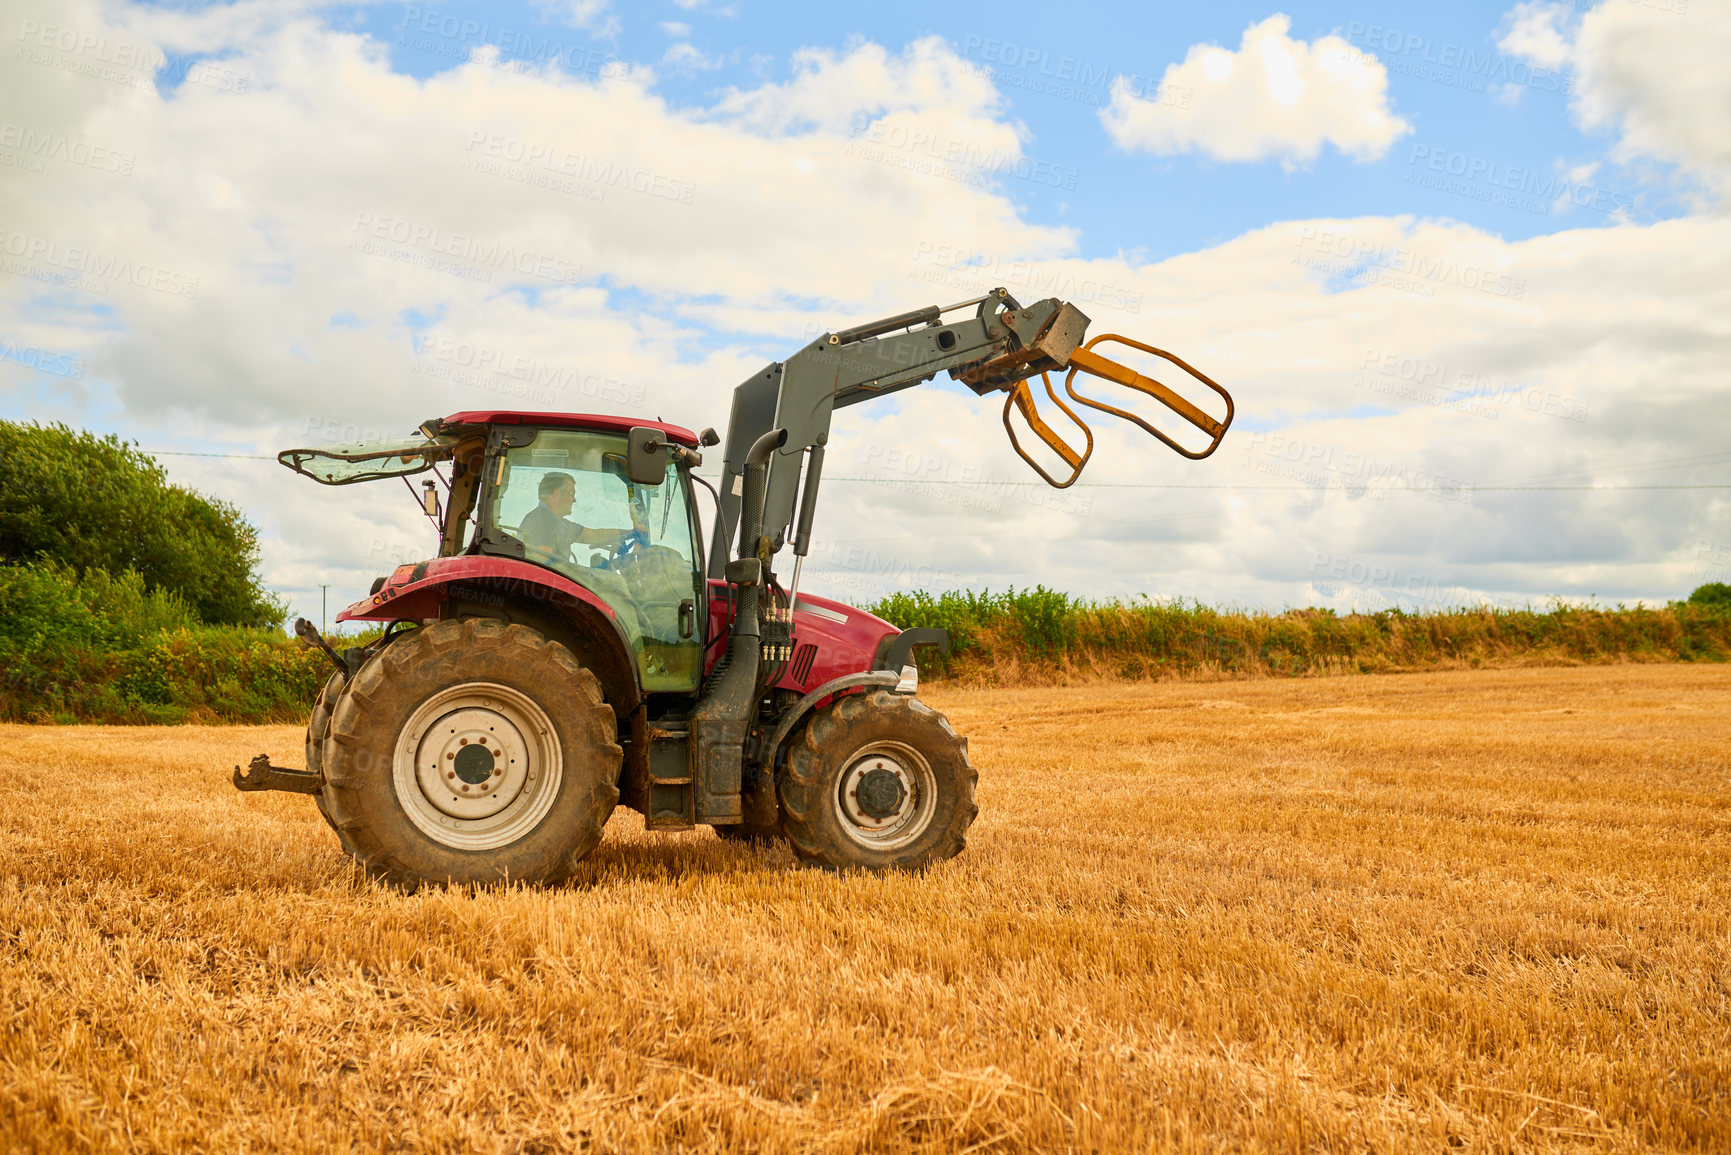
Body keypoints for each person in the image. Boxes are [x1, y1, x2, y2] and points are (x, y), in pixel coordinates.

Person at [517, 471, 632, 566]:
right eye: (571, 493)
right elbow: (543, 563)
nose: (574, 499)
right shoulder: (540, 520)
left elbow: (594, 535)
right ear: (556, 494)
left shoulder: (559, 524)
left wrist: (630, 533)